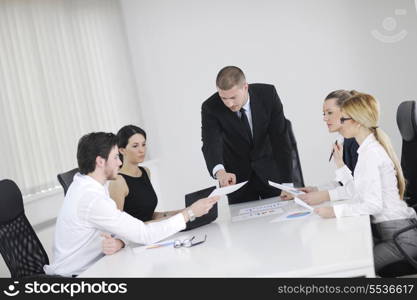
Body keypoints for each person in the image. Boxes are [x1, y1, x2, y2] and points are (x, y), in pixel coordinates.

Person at [44, 132, 218, 277]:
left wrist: (120, 241)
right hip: (78, 276)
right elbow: (143, 234)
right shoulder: (91, 198)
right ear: (100, 161)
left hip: (98, 265)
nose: (120, 162)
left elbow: (117, 226)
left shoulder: (86, 182)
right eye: (115, 157)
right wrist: (189, 213)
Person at [309, 92, 417, 273]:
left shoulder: (371, 154)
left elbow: (373, 205)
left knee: (352, 269)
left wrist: (335, 211)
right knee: (347, 256)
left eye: (343, 119)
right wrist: (341, 166)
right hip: (394, 232)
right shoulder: (367, 150)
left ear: (357, 121)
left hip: (400, 239)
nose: (340, 124)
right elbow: (358, 192)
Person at [201, 66, 292, 204]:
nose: (229, 103)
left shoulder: (268, 94)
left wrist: (287, 183)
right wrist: (221, 173)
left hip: (272, 175)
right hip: (237, 181)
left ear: (245, 87)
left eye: (233, 97)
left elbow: (280, 138)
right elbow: (210, 143)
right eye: (223, 98)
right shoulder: (210, 107)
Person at [282, 90, 360, 202]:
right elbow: (344, 184)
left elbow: (357, 190)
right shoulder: (343, 141)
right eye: (324, 114)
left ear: (346, 112)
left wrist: (324, 195)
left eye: (330, 112)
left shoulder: (356, 143)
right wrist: (315, 190)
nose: (325, 118)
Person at [109, 125, 182, 222]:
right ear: (122, 150)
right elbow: (119, 226)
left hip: (152, 233)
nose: (142, 150)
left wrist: (183, 212)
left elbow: (147, 215)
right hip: (135, 236)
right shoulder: (118, 181)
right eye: (135, 146)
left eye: (143, 144)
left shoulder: (145, 172)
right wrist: (171, 220)